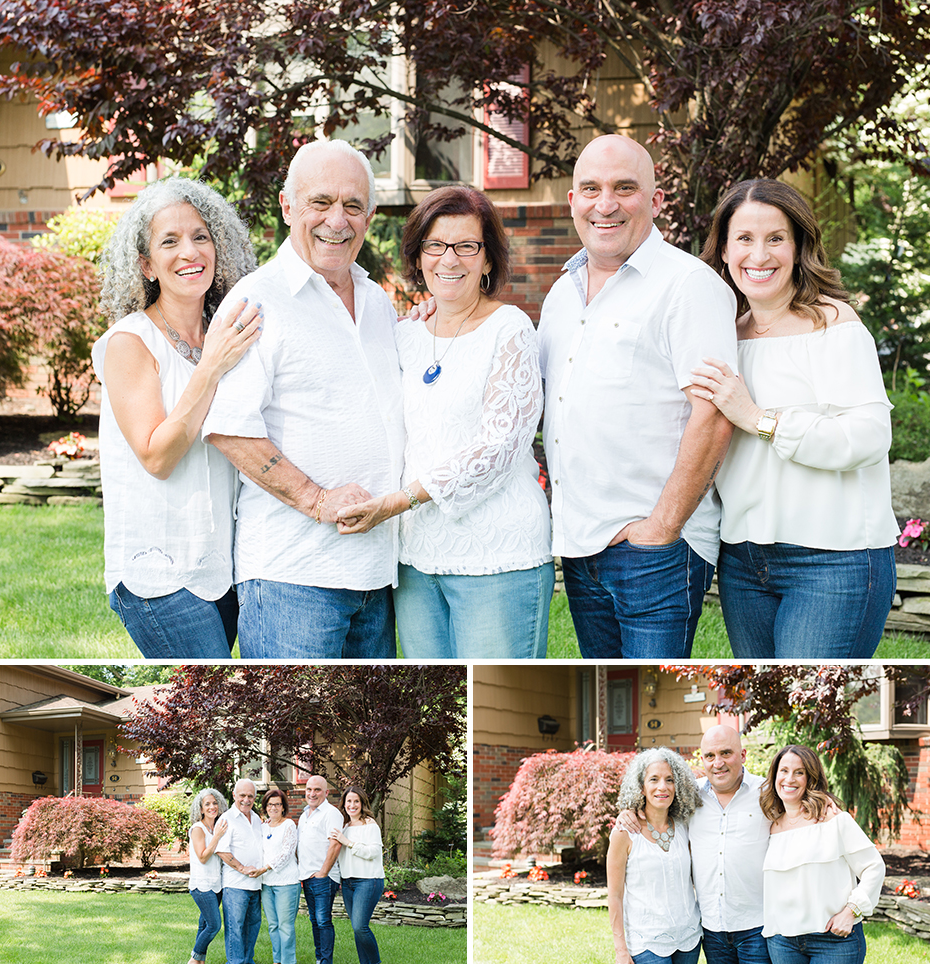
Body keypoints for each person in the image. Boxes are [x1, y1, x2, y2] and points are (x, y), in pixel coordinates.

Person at [538, 134, 738, 658]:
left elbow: (715, 415)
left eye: (625, 188)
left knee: (650, 689)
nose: (606, 204)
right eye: (591, 189)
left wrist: (662, 528)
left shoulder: (688, 286)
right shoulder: (562, 292)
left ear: (655, 200)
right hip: (581, 544)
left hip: (654, 547)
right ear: (573, 202)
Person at [202, 139, 404, 658]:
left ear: (370, 216)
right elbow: (229, 427)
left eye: (353, 206)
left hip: (376, 574)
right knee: (297, 738)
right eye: (320, 202)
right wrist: (317, 500)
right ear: (288, 207)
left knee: (365, 738)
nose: (337, 220)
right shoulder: (256, 300)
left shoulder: (378, 302)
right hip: (292, 578)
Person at [336, 185, 554, 657]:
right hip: (416, 557)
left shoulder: (510, 328)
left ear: (488, 260)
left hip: (497, 555)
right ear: (419, 257)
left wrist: (397, 501)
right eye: (435, 245)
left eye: (466, 246)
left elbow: (498, 449)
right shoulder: (406, 333)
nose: (449, 259)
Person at [691, 178, 897, 657]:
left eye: (775, 239)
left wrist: (761, 419)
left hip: (833, 561)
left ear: (799, 246)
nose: (758, 255)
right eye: (744, 239)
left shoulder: (835, 326)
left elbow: (869, 437)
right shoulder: (723, 335)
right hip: (744, 561)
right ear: (723, 249)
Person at [93, 176, 261, 658]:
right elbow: (157, 455)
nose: (189, 251)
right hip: (158, 575)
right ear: (146, 264)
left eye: (200, 236)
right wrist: (209, 367)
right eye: (169, 241)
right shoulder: (130, 343)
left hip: (224, 569)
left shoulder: (228, 332)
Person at [618, 725, 773, 964]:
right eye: (710, 755)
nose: (718, 762)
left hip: (755, 927)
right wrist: (628, 811)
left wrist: (827, 805)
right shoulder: (693, 797)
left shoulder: (767, 793)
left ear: (743, 755)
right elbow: (656, 800)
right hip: (712, 928)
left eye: (726, 753)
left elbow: (801, 806)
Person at [760, 745, 885, 964]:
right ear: (774, 777)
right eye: (783, 771)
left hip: (833, 941)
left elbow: (874, 866)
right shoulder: (768, 825)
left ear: (811, 778)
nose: (789, 779)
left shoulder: (833, 821)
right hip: (783, 943)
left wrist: (852, 911)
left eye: (799, 772)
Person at [608, 747, 703, 964]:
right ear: (641, 787)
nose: (663, 786)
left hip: (689, 939)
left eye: (670, 779)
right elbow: (615, 896)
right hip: (647, 942)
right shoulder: (623, 833)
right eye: (654, 779)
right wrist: (621, 950)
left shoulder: (684, 826)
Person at [329, 786, 386, 964]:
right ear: (344, 804)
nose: (352, 805)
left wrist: (348, 842)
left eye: (356, 801)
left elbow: (374, 853)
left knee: (360, 926)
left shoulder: (370, 825)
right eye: (349, 801)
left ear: (362, 804)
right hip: (348, 882)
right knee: (356, 925)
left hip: (369, 881)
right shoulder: (344, 826)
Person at [215, 779, 265, 964]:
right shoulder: (227, 819)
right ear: (234, 795)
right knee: (235, 926)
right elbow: (222, 850)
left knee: (252, 924)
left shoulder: (257, 818)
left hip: (256, 883)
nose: (246, 799)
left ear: (255, 797)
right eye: (242, 795)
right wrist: (243, 868)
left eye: (250, 796)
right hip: (236, 883)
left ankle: (247, 960)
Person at [298, 775, 344, 964]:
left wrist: (323, 872)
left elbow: (335, 844)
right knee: (314, 920)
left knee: (323, 920)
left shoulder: (331, 813)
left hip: (324, 876)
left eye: (317, 790)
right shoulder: (304, 815)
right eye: (309, 789)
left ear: (326, 793)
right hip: (307, 876)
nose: (312, 793)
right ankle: (319, 959)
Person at [185, 788, 228, 964]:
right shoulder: (198, 829)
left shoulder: (216, 826)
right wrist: (217, 837)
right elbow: (203, 857)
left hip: (216, 884)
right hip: (202, 885)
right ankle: (193, 960)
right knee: (214, 925)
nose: (212, 807)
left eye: (214, 803)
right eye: (207, 804)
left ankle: (200, 963)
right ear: (201, 809)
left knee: (204, 925)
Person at [259, 787, 300, 964]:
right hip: (267, 883)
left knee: (285, 925)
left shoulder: (289, 825)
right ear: (265, 807)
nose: (273, 807)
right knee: (273, 925)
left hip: (286, 882)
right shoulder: (263, 827)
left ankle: (287, 963)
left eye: (277, 804)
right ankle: (276, 960)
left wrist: (265, 868)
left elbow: (287, 853)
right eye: (269, 804)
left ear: (283, 807)